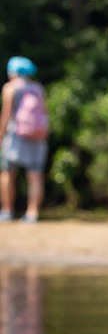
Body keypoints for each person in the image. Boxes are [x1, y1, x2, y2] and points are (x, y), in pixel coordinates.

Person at [0, 56, 49, 223]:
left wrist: (1, 136)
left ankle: (7, 211)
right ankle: (32, 213)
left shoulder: (10, 88)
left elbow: (6, 116)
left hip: (15, 137)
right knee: (35, 175)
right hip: (37, 137)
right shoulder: (38, 88)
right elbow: (44, 113)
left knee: (7, 173)